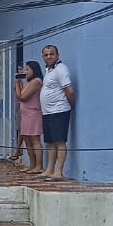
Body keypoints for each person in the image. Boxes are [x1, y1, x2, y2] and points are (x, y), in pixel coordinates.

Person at [39, 44, 75, 181]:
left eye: (51, 54)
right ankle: (49, 170)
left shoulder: (61, 69)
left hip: (59, 111)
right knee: (50, 142)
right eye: (46, 55)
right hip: (47, 112)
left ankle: (58, 172)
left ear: (57, 55)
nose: (48, 57)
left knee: (59, 142)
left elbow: (70, 90)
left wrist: (70, 105)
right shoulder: (48, 70)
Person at [15, 59, 44, 174]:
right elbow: (18, 95)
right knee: (27, 139)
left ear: (34, 70)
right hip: (25, 114)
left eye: (28, 69)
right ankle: (32, 165)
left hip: (33, 114)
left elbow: (22, 96)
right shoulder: (28, 82)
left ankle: (39, 165)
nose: (26, 72)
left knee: (34, 139)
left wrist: (17, 82)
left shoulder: (36, 81)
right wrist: (19, 83)